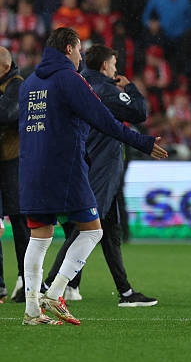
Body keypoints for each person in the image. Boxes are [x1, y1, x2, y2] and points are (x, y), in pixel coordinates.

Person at [18, 27, 167, 326]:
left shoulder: (30, 83)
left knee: (40, 236)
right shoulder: (70, 79)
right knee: (92, 231)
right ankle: (56, 292)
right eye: (79, 50)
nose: (81, 57)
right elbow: (104, 120)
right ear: (69, 48)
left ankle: (32, 310)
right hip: (65, 168)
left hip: (31, 168)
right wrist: (142, 142)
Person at [42, 43, 158, 307]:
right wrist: (129, 87)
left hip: (87, 161)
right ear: (105, 65)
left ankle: (125, 292)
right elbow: (140, 112)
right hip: (102, 166)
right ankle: (49, 285)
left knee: (109, 231)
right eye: (114, 64)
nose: (116, 70)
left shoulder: (79, 84)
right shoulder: (105, 89)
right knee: (86, 228)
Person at [0, 46, 30, 303]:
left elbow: (8, 114)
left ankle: (26, 277)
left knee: (20, 220)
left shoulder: (18, 85)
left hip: (13, 162)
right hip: (5, 161)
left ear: (5, 67)